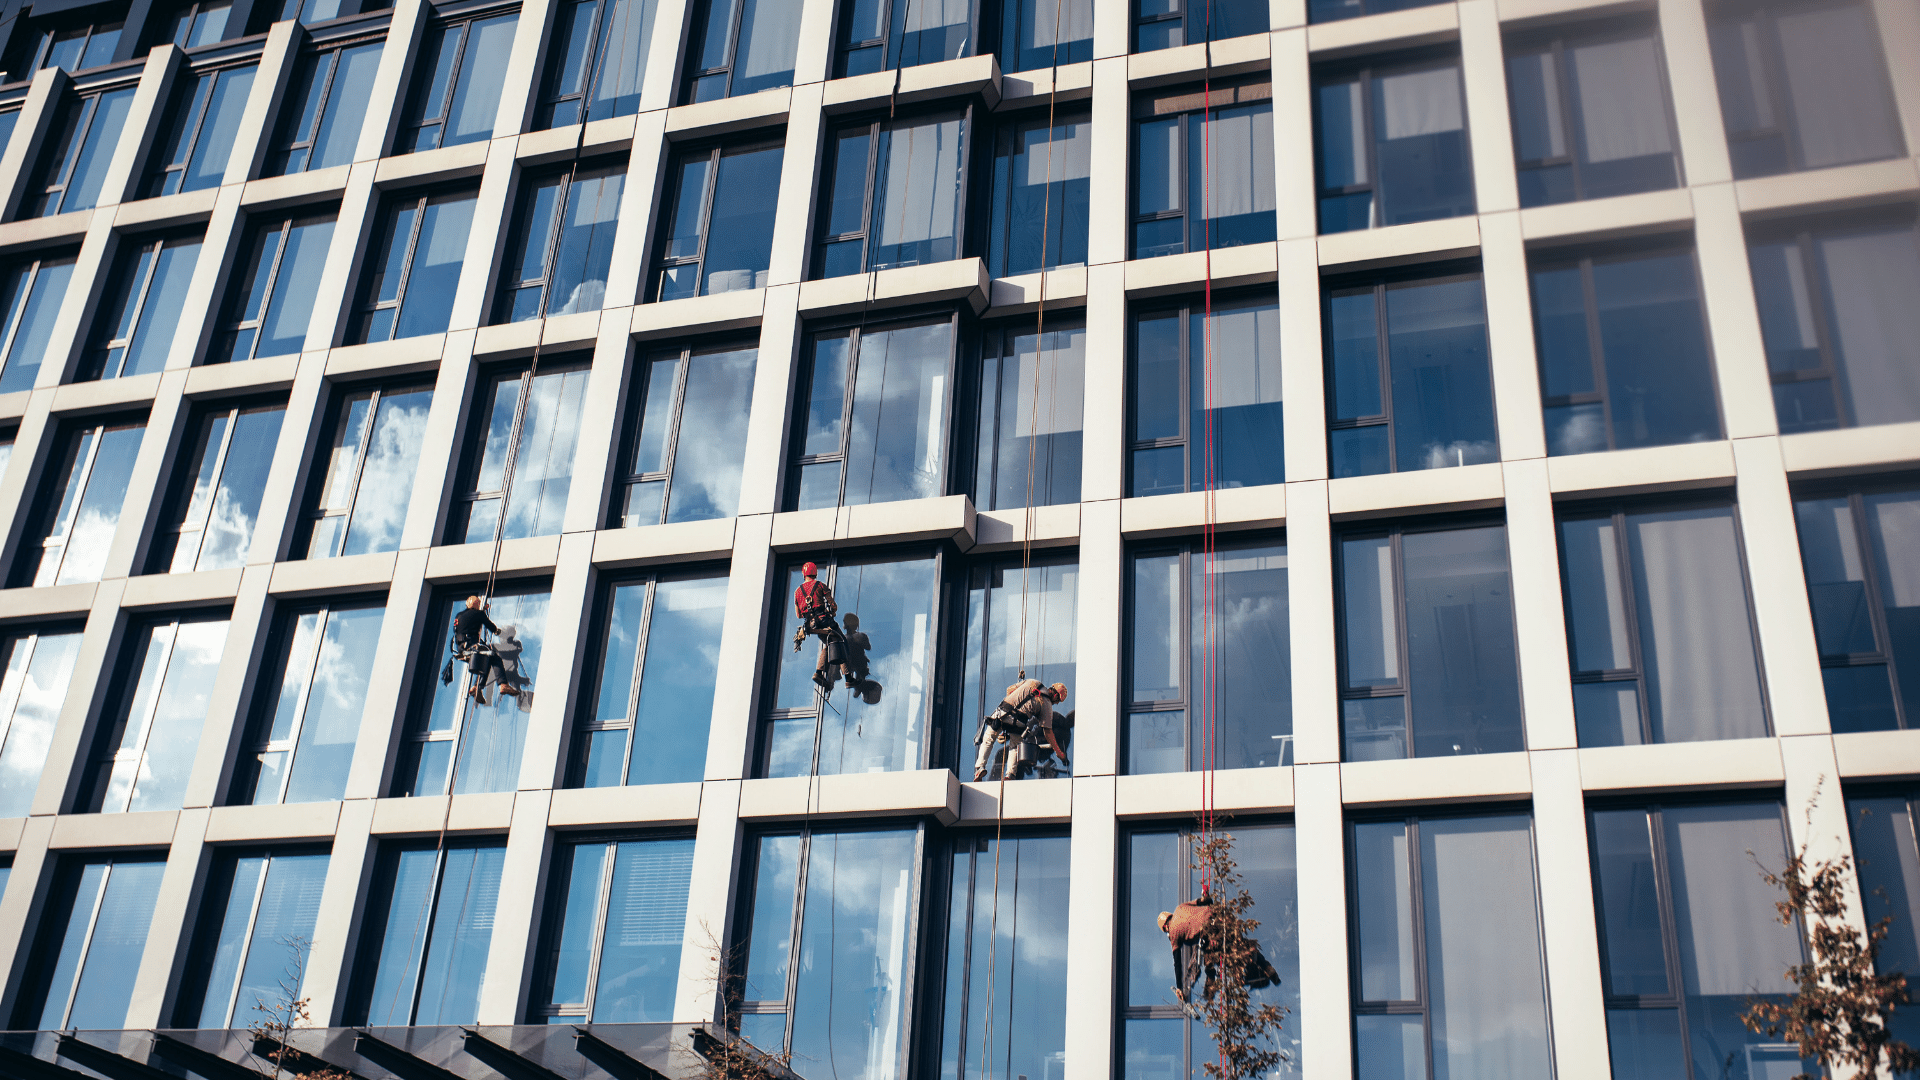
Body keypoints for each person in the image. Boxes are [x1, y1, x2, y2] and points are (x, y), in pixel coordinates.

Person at [973, 679, 1069, 781]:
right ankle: (1010, 774)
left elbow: (1010, 690)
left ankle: (980, 767)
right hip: (1019, 723)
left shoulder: (1033, 682)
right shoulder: (1047, 704)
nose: (1057, 703)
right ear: (1055, 696)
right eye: (1058, 701)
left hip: (1002, 713)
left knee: (989, 738)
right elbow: (1048, 732)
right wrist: (1059, 753)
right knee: (1014, 746)